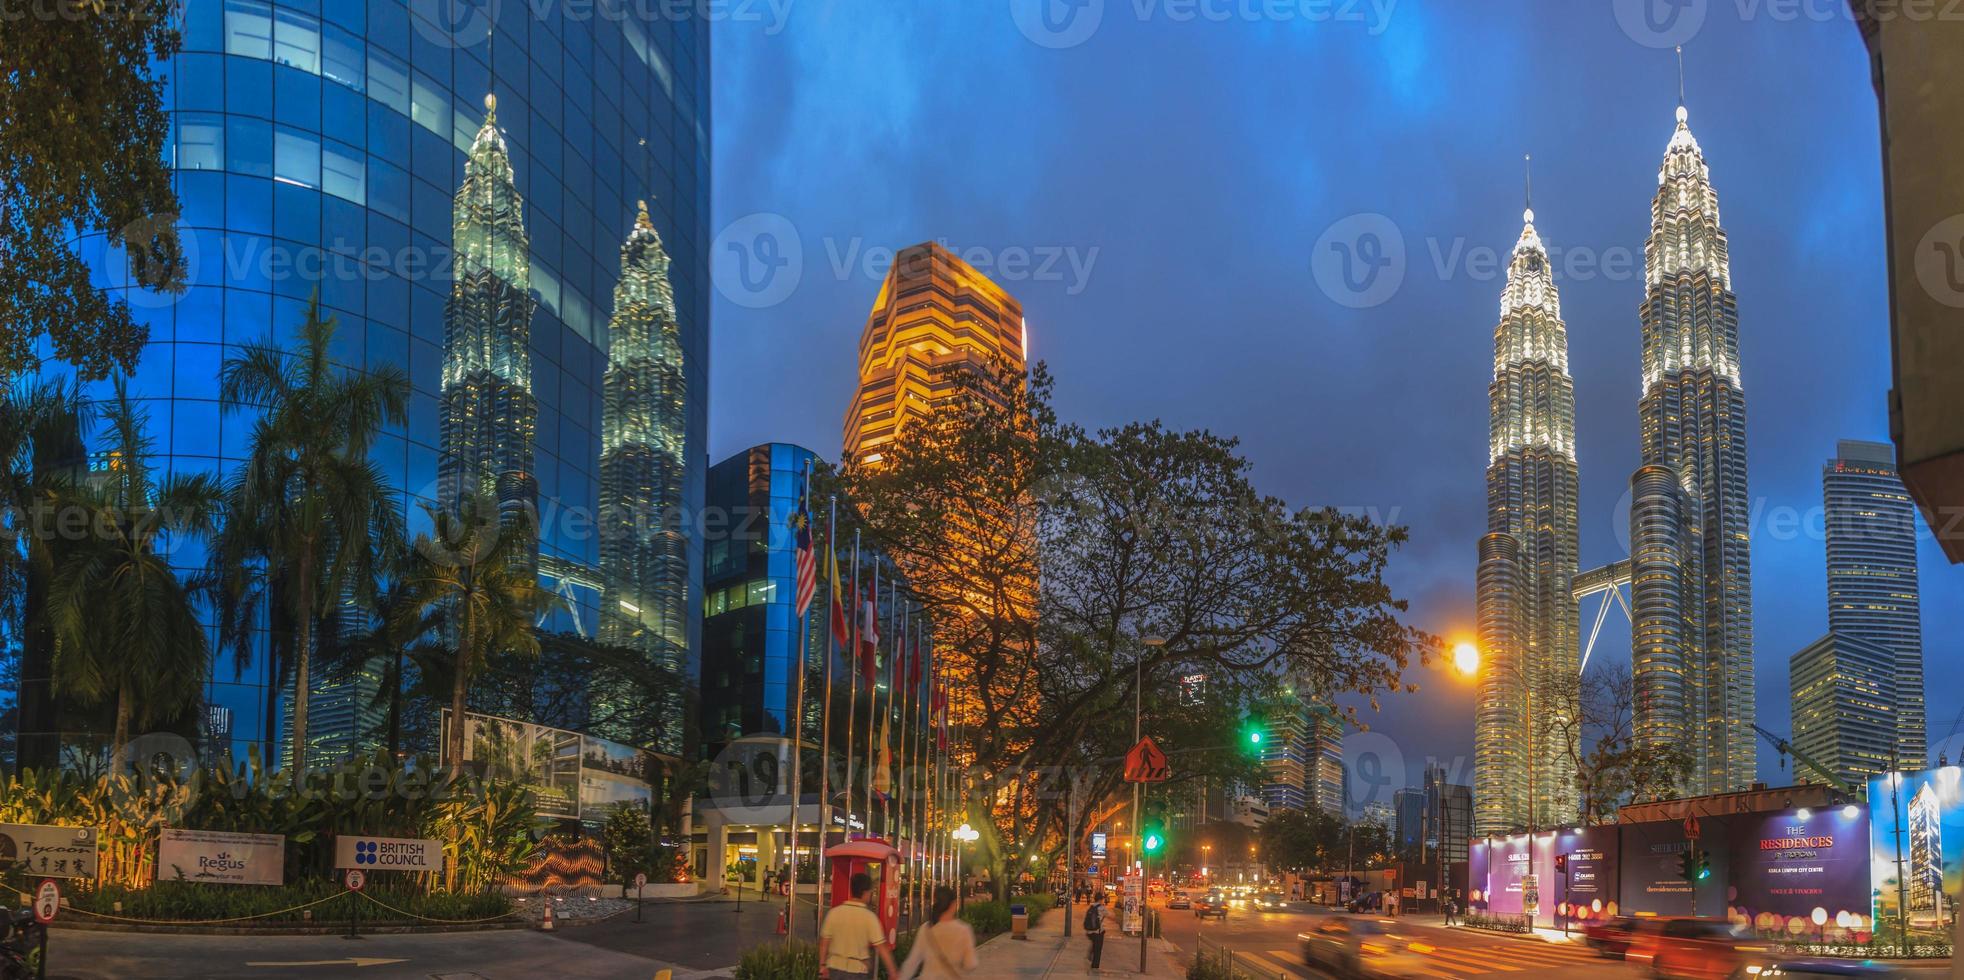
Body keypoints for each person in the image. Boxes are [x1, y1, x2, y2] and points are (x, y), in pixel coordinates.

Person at [821, 873, 899, 980]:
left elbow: (824, 942)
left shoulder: (834, 913)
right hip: (857, 971)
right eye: (871, 892)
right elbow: (882, 948)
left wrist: (822, 966)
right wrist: (893, 972)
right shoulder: (869, 918)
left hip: (833, 968)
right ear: (865, 893)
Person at [897, 886, 978, 980]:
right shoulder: (963, 930)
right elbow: (970, 964)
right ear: (953, 904)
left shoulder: (926, 928)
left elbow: (912, 962)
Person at [1084, 892, 1108, 972]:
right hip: (1098, 932)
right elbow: (1111, 915)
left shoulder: (1092, 906)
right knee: (1098, 950)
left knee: (1095, 945)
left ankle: (1091, 953)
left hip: (1090, 932)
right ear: (1101, 899)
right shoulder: (1101, 908)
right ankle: (1095, 967)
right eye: (1103, 899)